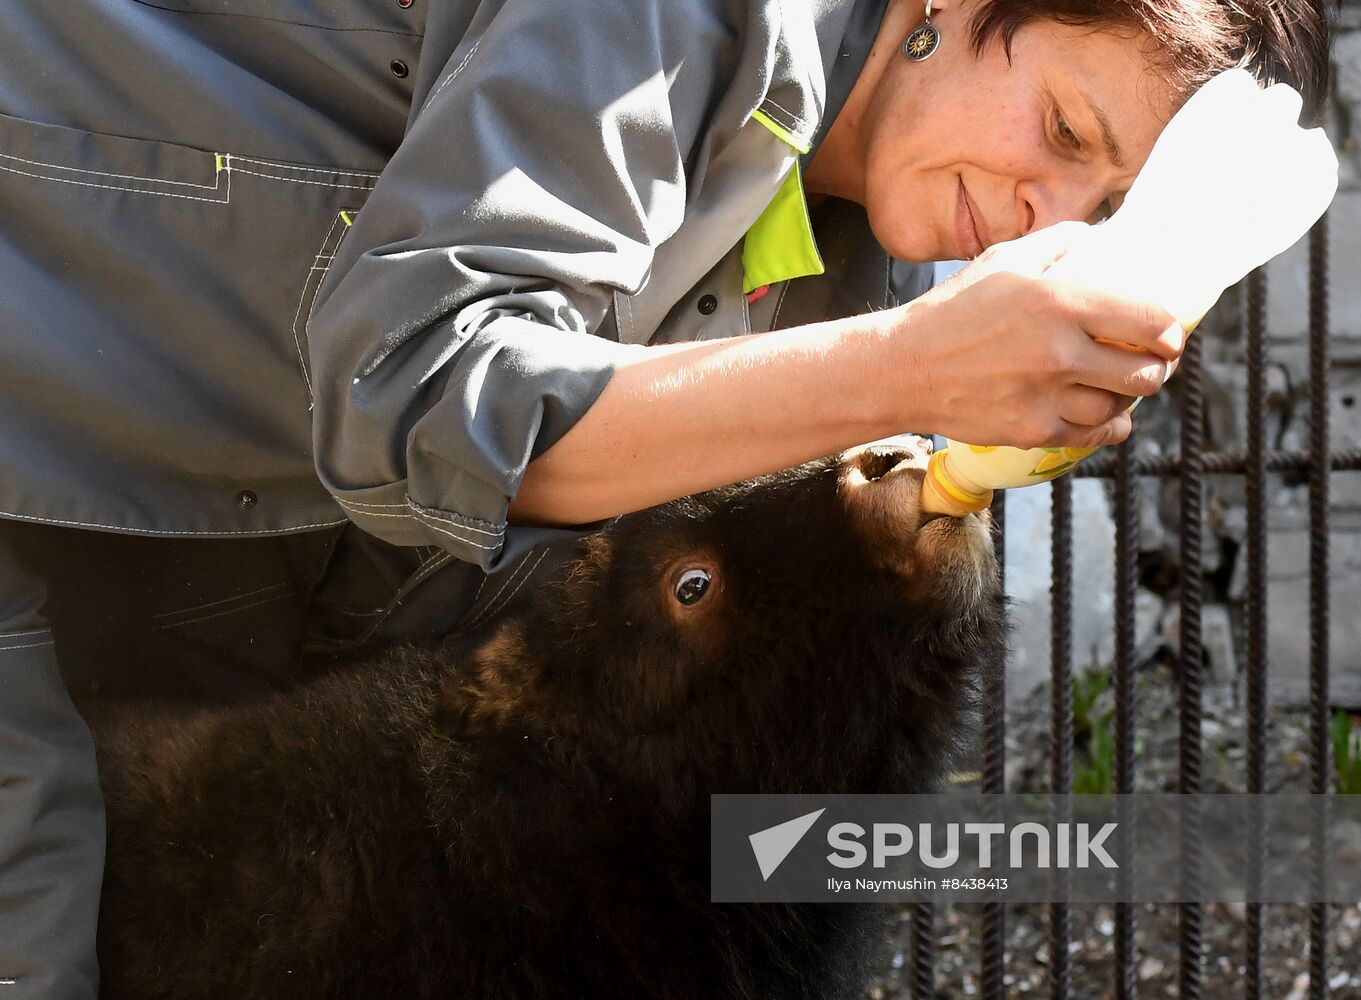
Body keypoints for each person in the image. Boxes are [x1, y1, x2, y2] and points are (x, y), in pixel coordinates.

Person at [0, 0, 1329, 996]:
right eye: (1059, 130)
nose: (1043, 213)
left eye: (1099, 211)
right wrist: (902, 372)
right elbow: (412, 393)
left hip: (169, 568)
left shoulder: (861, 278)